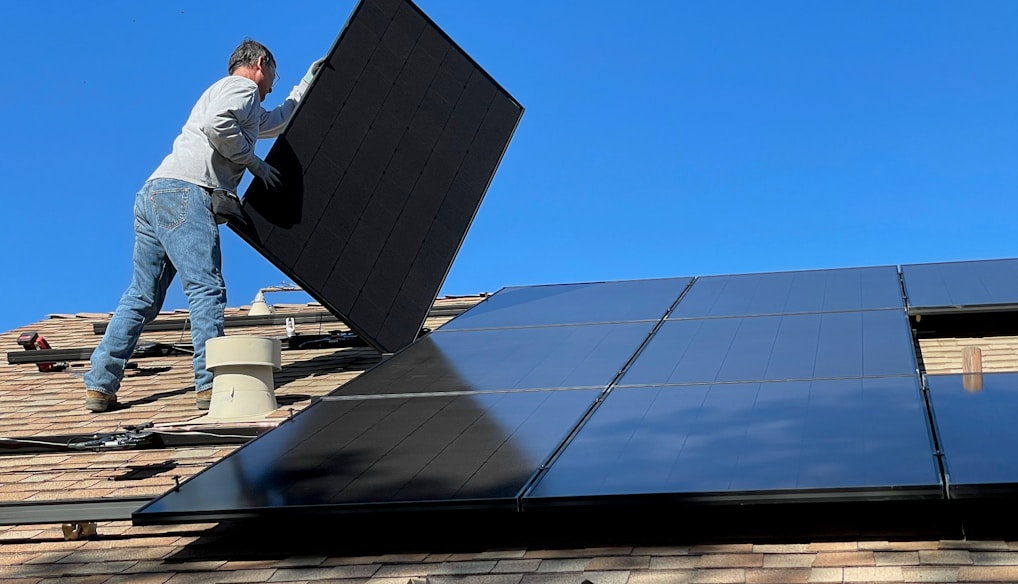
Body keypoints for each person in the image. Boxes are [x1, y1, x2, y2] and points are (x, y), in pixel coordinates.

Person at [84, 39, 324, 412]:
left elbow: (275, 122)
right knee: (205, 288)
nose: (274, 83)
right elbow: (218, 126)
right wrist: (254, 164)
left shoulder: (230, 95)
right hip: (186, 192)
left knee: (142, 297)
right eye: (275, 73)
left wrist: (307, 83)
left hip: (154, 194)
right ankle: (210, 386)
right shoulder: (242, 88)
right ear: (261, 63)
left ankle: (100, 383)